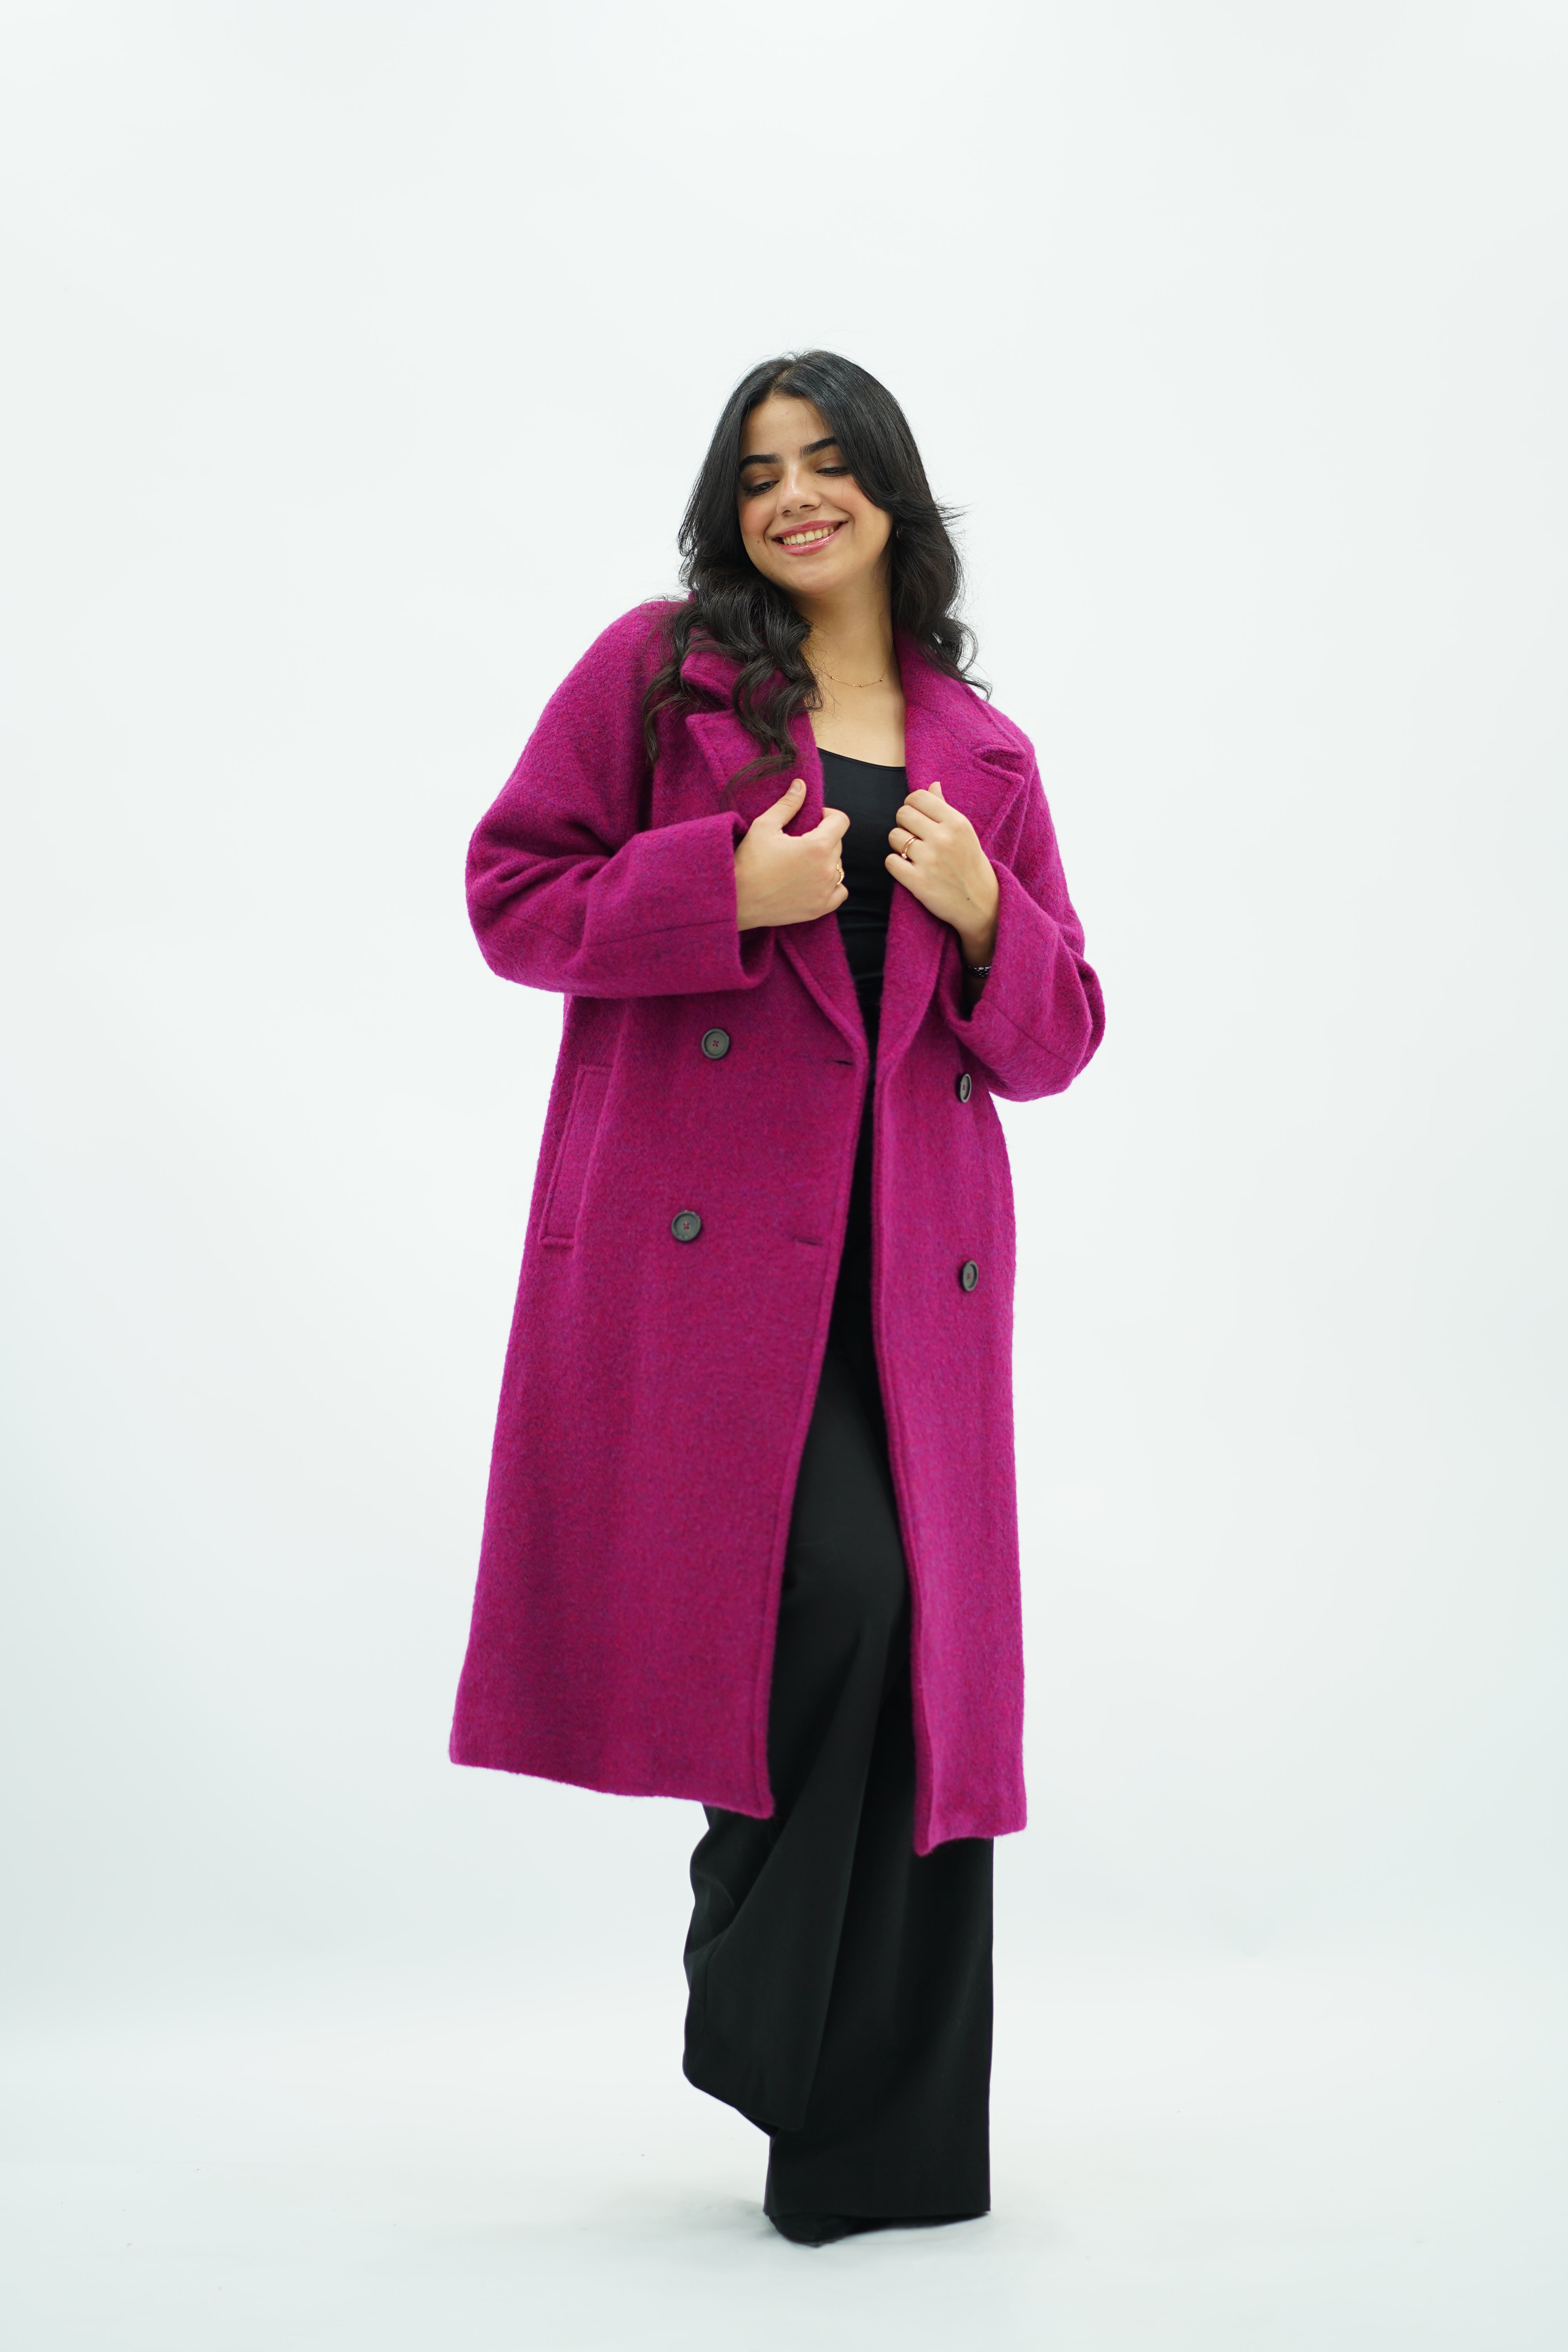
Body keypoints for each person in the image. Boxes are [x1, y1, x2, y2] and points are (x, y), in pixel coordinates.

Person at [450, 351, 1104, 2246]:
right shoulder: (661, 677)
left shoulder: (985, 755)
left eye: (829, 464)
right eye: (758, 473)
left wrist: (988, 914)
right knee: (836, 1600)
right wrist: (716, 887)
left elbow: (1059, 1038)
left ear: (893, 493)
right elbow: (509, 895)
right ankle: (757, 2007)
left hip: (910, 1276)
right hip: (709, 1268)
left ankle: (879, 2144)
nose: (795, 497)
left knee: (910, 1665)